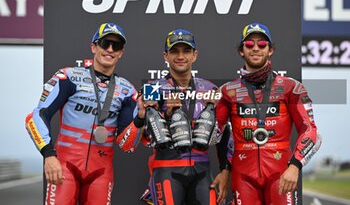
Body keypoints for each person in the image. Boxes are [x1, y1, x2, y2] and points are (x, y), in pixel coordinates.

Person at [25, 22, 144, 205]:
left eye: (116, 46)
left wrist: (140, 119)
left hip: (101, 173)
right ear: (94, 47)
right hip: (65, 167)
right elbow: (36, 117)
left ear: (121, 52)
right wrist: (49, 155)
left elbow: (127, 145)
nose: (110, 49)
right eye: (105, 43)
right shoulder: (69, 77)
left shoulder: (127, 91)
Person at [216, 23, 322, 204]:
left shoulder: (291, 87)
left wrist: (295, 166)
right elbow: (217, 135)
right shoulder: (227, 91)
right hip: (243, 177)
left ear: (270, 50)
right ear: (241, 51)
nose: (255, 48)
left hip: (281, 175)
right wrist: (225, 169)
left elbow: (312, 133)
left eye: (262, 44)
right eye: (249, 44)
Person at [137, 29, 231, 205]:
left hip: (202, 171)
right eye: (174, 51)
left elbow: (223, 134)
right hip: (167, 170)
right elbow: (144, 138)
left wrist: (225, 170)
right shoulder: (153, 88)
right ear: (165, 55)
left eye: (186, 51)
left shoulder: (209, 88)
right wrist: (166, 114)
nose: (181, 56)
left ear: (195, 55)